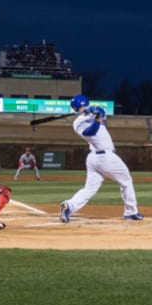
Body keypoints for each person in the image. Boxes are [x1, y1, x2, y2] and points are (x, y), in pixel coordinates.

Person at [59, 94, 143, 223]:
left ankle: (69, 206)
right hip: (105, 158)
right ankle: (131, 212)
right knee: (126, 181)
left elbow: (102, 112)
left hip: (95, 159)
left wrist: (94, 110)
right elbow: (89, 133)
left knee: (89, 189)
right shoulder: (77, 123)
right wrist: (96, 118)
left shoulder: (92, 112)